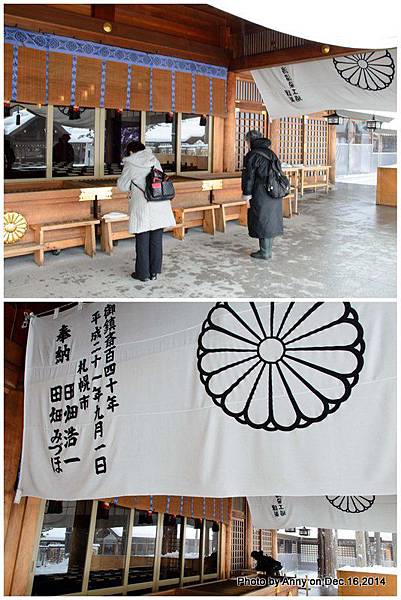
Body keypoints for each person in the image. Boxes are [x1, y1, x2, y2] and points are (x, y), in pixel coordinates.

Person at [117, 141, 176, 282]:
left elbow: (122, 186)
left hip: (142, 205)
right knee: (156, 240)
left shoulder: (130, 163)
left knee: (142, 239)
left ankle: (142, 274)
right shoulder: (154, 160)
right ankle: (154, 272)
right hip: (159, 203)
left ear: (131, 151)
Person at [242, 130, 283, 260]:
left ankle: (264, 252)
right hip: (274, 191)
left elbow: (249, 177)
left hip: (261, 193)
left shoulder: (252, 155)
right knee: (270, 220)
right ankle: (267, 250)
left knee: (262, 220)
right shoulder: (271, 153)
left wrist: (247, 194)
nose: (247, 144)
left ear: (250, 141)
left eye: (247, 141)